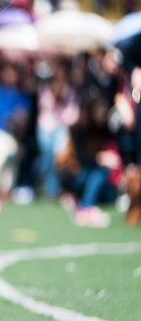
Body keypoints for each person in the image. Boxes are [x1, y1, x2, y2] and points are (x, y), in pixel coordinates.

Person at [56, 85, 121, 227]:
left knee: (101, 175)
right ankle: (85, 208)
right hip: (77, 174)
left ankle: (83, 205)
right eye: (98, 108)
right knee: (98, 172)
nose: (102, 111)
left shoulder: (105, 128)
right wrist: (100, 158)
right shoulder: (77, 128)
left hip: (97, 177)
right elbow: (79, 158)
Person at [0, 61, 33, 197]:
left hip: (15, 135)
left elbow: (24, 115)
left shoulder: (22, 94)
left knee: (11, 162)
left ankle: (5, 189)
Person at [36, 59, 79, 200]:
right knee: (47, 156)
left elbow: (72, 113)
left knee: (58, 160)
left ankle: (51, 187)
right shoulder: (46, 88)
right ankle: (51, 189)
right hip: (45, 127)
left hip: (60, 128)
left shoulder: (70, 90)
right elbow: (43, 108)